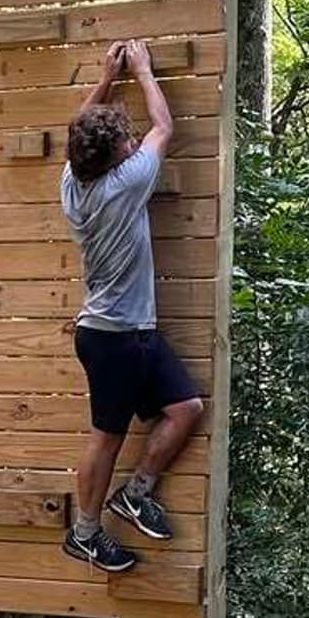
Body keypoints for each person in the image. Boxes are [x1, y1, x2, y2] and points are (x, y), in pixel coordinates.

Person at [58, 39, 204, 574]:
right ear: (117, 157)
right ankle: (86, 533)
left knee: (186, 408)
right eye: (125, 141)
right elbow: (165, 127)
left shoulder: (73, 182)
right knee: (108, 436)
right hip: (113, 337)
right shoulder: (126, 184)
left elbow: (81, 131)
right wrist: (142, 72)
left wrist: (104, 78)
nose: (133, 142)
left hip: (129, 332)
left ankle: (136, 493)